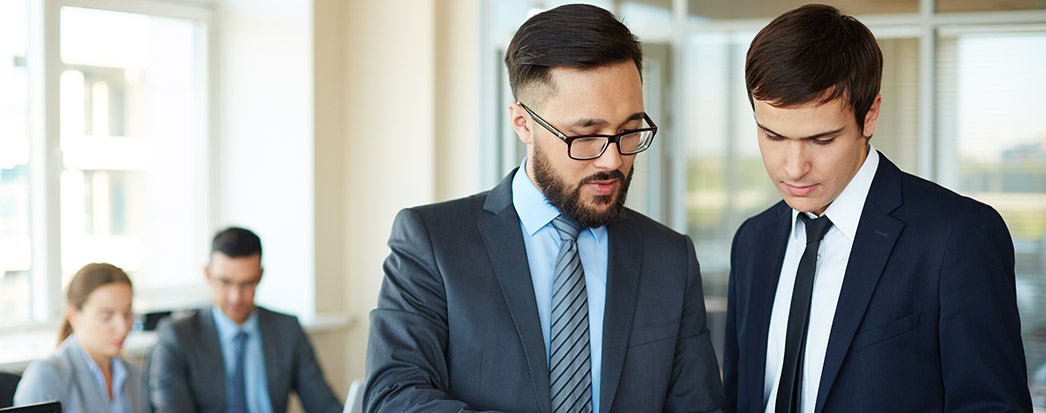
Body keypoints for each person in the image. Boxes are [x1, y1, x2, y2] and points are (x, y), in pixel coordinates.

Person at [364, 4, 723, 413]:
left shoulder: (671, 258)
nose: (611, 160)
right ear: (523, 123)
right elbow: (394, 398)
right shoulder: (431, 241)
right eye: (584, 135)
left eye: (628, 131)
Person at [722, 4, 1032, 412]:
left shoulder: (957, 237)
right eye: (773, 136)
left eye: (821, 140)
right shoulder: (753, 240)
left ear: (869, 115)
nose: (793, 169)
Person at [147, 227, 342, 413]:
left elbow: (324, 405)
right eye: (225, 282)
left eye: (247, 284)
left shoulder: (287, 329)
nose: (236, 297)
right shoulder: (178, 336)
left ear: (260, 275)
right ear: (208, 274)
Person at [14, 263, 150, 412]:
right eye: (106, 317)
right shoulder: (46, 376)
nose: (123, 328)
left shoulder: (132, 374)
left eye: (127, 314)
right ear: (74, 316)